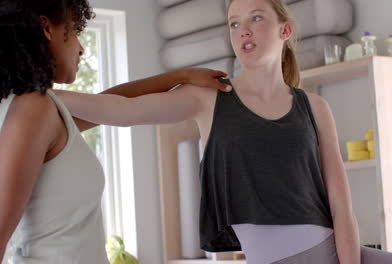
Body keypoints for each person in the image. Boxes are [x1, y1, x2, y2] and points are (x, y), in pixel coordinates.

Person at [54, 0, 392, 263]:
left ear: (285, 30)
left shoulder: (314, 107)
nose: (243, 29)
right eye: (234, 22)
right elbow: (124, 110)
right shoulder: (208, 97)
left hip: (341, 253)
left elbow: (342, 208)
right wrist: (38, 92)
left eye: (256, 17)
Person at [0, 0, 229, 262]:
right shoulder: (33, 109)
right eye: (75, 31)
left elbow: (115, 103)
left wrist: (182, 76)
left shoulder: (39, 108)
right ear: (46, 28)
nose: (82, 48)